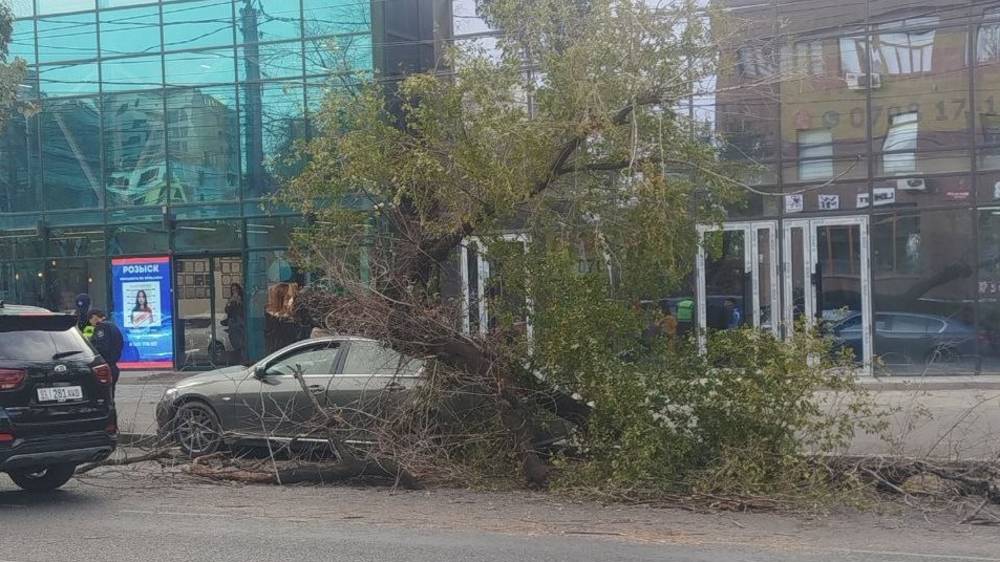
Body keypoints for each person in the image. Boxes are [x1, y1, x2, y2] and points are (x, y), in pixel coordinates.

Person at [88, 310, 125, 397]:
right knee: (110, 395)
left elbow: (101, 347)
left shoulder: (101, 327)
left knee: (103, 396)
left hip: (106, 365)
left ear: (94, 317)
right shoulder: (113, 326)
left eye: (90, 320)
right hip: (113, 365)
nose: (91, 324)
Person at [222, 283, 246, 364]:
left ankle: (243, 359)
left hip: (240, 322)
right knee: (235, 341)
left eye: (236, 289)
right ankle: (237, 358)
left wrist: (239, 302)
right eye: (233, 290)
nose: (234, 291)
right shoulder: (230, 300)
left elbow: (244, 310)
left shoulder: (243, 298)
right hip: (233, 322)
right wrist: (230, 302)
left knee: (242, 341)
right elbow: (226, 310)